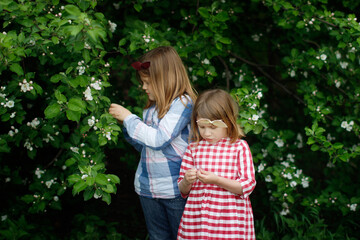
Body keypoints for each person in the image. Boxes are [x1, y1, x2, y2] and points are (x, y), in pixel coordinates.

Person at [108, 46, 197, 240]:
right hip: (147, 188)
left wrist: (130, 119)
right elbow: (145, 146)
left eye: (148, 82)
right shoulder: (150, 109)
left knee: (182, 236)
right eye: (142, 82)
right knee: (158, 237)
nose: (143, 87)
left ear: (165, 80)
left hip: (175, 190)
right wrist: (126, 126)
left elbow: (158, 140)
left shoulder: (182, 104)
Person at [177, 89, 256, 240]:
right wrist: (187, 180)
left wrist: (216, 180)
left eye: (212, 128)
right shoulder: (194, 149)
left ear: (228, 122)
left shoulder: (239, 147)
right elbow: (183, 190)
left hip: (230, 220)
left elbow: (247, 186)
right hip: (200, 220)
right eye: (202, 127)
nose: (206, 133)